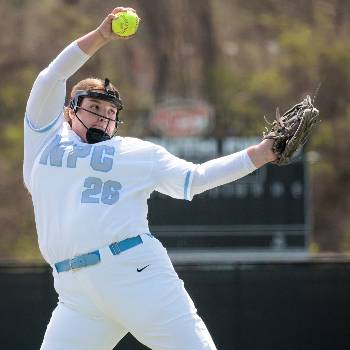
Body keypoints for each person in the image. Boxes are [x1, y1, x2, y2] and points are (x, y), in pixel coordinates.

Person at [24, 6, 276, 350]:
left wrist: (260, 154)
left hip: (134, 273)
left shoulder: (136, 153)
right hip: (75, 294)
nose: (103, 117)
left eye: (111, 113)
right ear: (69, 109)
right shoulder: (45, 140)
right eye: (94, 107)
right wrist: (102, 36)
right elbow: (51, 76)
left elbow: (195, 178)